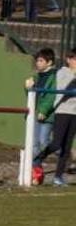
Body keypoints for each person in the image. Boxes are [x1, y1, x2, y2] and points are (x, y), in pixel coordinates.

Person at [34, 48, 76, 186]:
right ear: (68, 60)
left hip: (74, 113)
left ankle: (58, 177)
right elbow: (64, 88)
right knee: (56, 143)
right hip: (62, 111)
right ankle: (39, 157)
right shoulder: (62, 72)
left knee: (66, 147)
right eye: (74, 59)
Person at [25, 47, 57, 184]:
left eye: (40, 60)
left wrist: (44, 110)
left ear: (49, 62)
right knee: (34, 145)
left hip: (46, 116)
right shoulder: (36, 76)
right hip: (33, 115)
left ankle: (60, 147)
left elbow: (52, 95)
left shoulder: (54, 76)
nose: (37, 63)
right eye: (37, 60)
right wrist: (27, 88)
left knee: (44, 143)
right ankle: (37, 174)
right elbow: (31, 97)